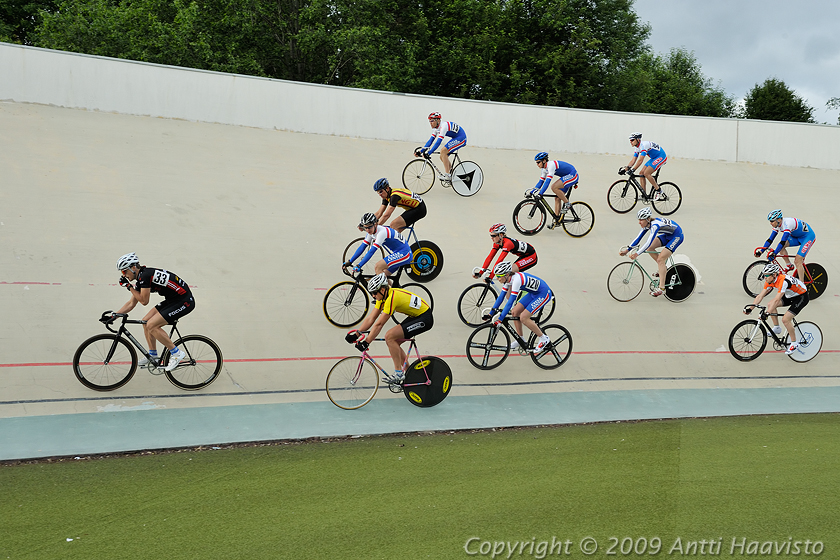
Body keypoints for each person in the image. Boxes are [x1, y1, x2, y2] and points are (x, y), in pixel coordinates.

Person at [345, 273, 433, 383]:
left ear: (382, 290)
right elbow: (371, 318)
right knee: (394, 343)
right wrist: (356, 334)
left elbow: (379, 324)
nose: (373, 296)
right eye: (371, 293)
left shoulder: (392, 298)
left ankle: (398, 374)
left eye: (374, 293)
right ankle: (410, 373)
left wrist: (367, 342)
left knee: (389, 336)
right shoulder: (383, 297)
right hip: (416, 315)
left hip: (424, 318)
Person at [113, 252, 193, 371]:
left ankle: (176, 353)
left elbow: (144, 301)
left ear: (133, 268)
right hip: (173, 300)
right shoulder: (141, 278)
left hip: (184, 301)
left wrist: (128, 287)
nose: (123, 275)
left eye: (124, 271)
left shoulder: (145, 276)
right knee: (145, 321)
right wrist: (114, 316)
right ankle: (153, 356)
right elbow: (131, 304)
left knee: (152, 325)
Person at [483, 262, 552, 353]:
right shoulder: (508, 280)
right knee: (515, 312)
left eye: (499, 276)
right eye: (497, 276)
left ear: (507, 274)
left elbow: (510, 303)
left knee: (524, 317)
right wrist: (490, 314)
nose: (498, 278)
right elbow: (501, 298)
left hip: (543, 293)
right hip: (533, 293)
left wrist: (500, 319)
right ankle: (520, 339)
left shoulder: (516, 280)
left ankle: (543, 338)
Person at [746, 261, 809, 355]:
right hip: (790, 295)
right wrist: (751, 308)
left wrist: (767, 313)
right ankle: (777, 327)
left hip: (801, 296)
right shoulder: (769, 281)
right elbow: (760, 296)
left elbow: (776, 300)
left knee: (786, 319)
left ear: (774, 275)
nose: (765, 277)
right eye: (764, 275)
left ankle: (794, 343)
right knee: (770, 304)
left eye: (767, 275)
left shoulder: (783, 282)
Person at [620, 207, 684, 297]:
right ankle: (663, 268)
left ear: (647, 219)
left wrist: (637, 254)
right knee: (650, 249)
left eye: (641, 220)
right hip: (667, 235)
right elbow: (638, 238)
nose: (639, 222)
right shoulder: (647, 225)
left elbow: (648, 242)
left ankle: (662, 289)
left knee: (660, 259)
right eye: (639, 220)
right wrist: (627, 250)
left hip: (676, 236)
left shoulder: (655, 226)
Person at [755, 209, 815, 282]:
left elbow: (783, 241)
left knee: (798, 261)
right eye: (770, 221)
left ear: (779, 219)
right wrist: (761, 251)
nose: (770, 223)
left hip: (807, 237)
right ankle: (789, 265)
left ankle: (801, 284)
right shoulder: (777, 225)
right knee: (780, 247)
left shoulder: (787, 224)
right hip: (796, 236)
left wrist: (774, 254)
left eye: (772, 221)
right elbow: (770, 239)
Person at [344, 213, 412, 278]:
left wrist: (359, 265)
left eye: (369, 227)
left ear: (375, 224)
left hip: (405, 253)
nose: (367, 230)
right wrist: (350, 261)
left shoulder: (382, 233)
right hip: (398, 253)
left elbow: (371, 252)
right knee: (382, 276)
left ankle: (384, 287)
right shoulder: (371, 232)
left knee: (378, 267)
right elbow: (362, 247)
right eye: (365, 228)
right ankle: (390, 286)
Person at [416, 112, 467, 182]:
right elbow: (430, 141)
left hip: (461, 138)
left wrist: (429, 153)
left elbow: (438, 142)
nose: (430, 123)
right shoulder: (436, 129)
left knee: (443, 151)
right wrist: (420, 151)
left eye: (432, 121)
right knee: (442, 156)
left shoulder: (443, 126)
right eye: (429, 121)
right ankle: (452, 173)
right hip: (456, 137)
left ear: (438, 120)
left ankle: (447, 175)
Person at [532, 152, 579, 228]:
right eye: (536, 163)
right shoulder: (544, 169)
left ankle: (567, 204)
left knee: (554, 187)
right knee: (557, 198)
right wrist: (532, 192)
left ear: (544, 161)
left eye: (538, 162)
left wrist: (540, 193)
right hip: (566, 177)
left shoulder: (551, 166)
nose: (537, 164)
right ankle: (557, 220)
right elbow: (541, 182)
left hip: (572, 175)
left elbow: (547, 182)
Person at [623, 132, 667, 200]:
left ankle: (659, 190)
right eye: (630, 140)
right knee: (641, 173)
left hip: (661, 156)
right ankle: (644, 195)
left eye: (632, 140)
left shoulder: (644, 145)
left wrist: (633, 169)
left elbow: (640, 160)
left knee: (646, 173)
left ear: (638, 139)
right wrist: (625, 169)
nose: (630, 142)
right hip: (654, 158)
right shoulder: (637, 148)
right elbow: (633, 160)